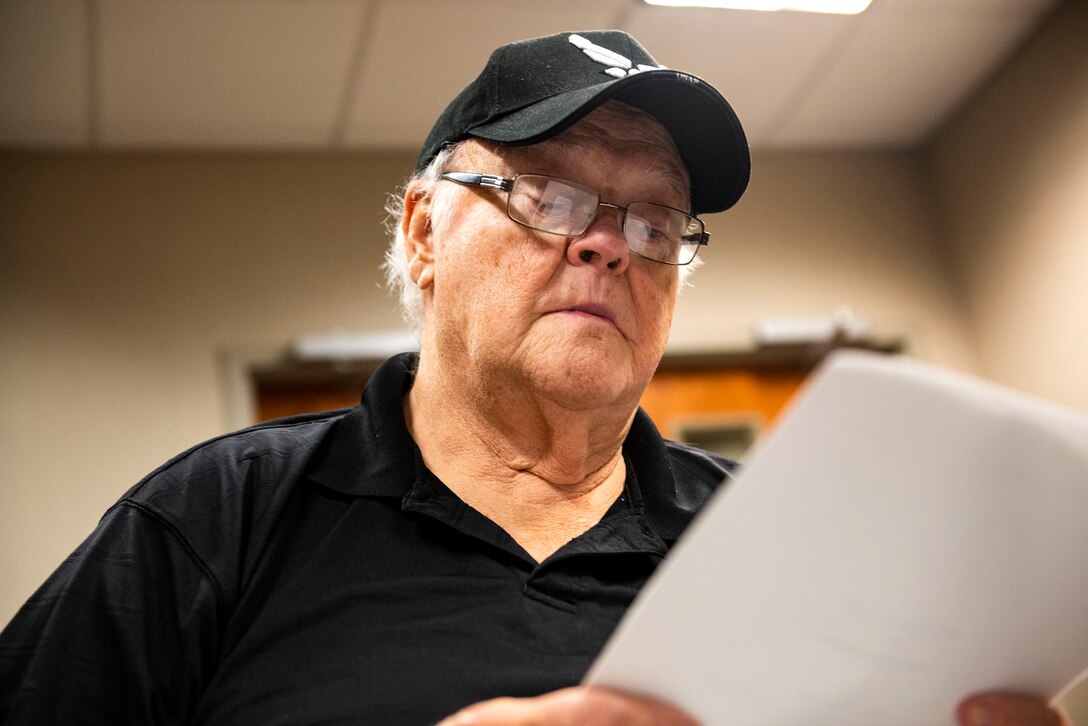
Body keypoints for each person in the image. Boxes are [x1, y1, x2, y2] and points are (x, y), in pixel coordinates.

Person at [0, 30, 1064, 726]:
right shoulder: (216, 517)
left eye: (651, 220)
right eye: (550, 197)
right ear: (424, 231)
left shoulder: (770, 542)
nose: (606, 245)